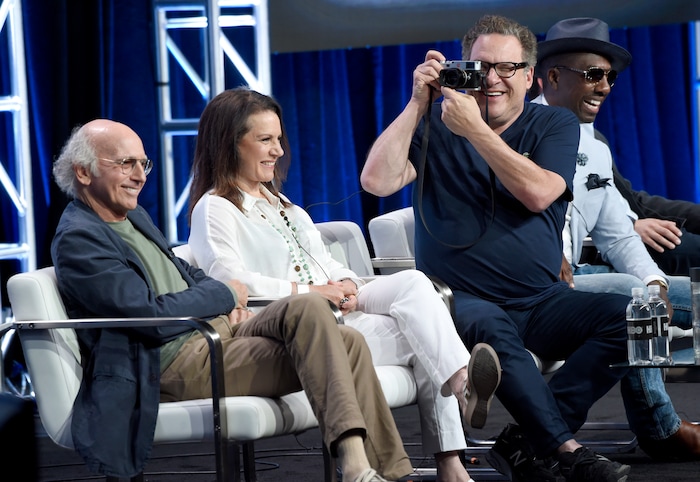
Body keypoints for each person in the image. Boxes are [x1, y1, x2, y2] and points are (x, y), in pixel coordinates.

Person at [49, 119, 414, 482]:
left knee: (314, 309)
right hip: (170, 362)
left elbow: (185, 274)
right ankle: (358, 466)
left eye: (143, 163)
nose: (139, 175)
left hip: (215, 334)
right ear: (83, 172)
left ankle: (382, 471)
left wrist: (223, 301)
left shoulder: (134, 217)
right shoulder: (80, 239)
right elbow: (148, 316)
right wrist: (225, 294)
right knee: (344, 342)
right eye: (125, 164)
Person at [361, 14, 632, 482]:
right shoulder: (438, 125)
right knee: (492, 327)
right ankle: (568, 452)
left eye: (507, 68)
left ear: (529, 76)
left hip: (541, 299)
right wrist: (415, 104)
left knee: (628, 316)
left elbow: (540, 193)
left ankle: (523, 442)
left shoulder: (554, 125)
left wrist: (477, 132)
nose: (492, 79)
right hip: (460, 300)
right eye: (481, 66)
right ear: (462, 68)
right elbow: (377, 180)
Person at [186, 87, 502, 482]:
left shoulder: (286, 207)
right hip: (285, 330)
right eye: (265, 140)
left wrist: (347, 282)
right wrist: (315, 293)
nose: (278, 151)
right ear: (229, 145)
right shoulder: (215, 207)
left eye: (279, 139)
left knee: (417, 289)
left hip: (335, 312)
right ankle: (451, 464)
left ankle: (461, 385)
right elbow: (229, 281)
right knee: (424, 333)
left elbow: (326, 264)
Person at [534, 16, 700, 461]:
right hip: (536, 288)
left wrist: (657, 283)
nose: (605, 86)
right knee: (634, 298)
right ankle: (659, 427)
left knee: (683, 296)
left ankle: (657, 423)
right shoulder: (517, 134)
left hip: (577, 279)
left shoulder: (597, 150)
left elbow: (618, 236)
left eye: (609, 76)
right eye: (593, 74)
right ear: (552, 76)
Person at [613, 163, 700, 277]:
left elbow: (632, 200)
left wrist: (695, 214)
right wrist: (629, 225)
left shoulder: (598, 146)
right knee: (690, 249)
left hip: (625, 225)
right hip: (605, 241)